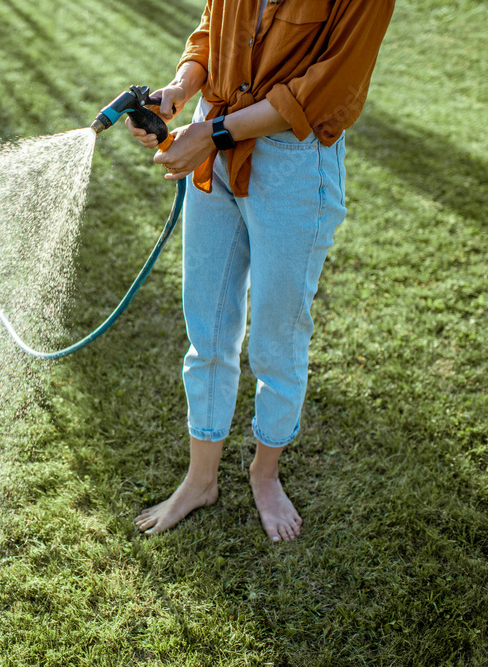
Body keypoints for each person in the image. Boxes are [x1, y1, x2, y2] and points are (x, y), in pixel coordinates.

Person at [128, 0, 395, 541]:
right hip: (215, 135)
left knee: (277, 338)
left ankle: (264, 473)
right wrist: (181, 90)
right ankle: (201, 480)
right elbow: (211, 32)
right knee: (208, 325)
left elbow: (323, 90)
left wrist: (216, 132)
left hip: (292, 161)